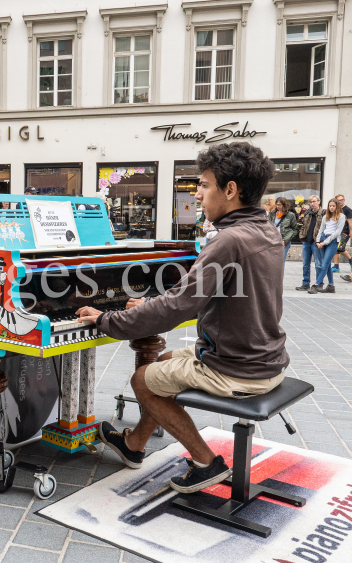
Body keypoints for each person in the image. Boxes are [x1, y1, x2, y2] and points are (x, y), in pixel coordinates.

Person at [76, 142, 289, 494]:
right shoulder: (265, 230)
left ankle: (207, 463)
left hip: (237, 367)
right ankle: (133, 444)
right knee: (165, 360)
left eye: (204, 185)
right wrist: (148, 306)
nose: (199, 196)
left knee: (143, 380)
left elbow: (178, 307)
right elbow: (184, 299)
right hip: (266, 357)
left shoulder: (228, 241)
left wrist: (106, 319)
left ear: (230, 190)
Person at [309, 197, 346, 294]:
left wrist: (325, 242)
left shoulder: (341, 216)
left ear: (337, 206)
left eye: (333, 206)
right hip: (323, 238)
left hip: (333, 241)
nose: (332, 208)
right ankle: (331, 285)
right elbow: (321, 229)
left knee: (324, 264)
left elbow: (338, 232)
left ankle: (316, 284)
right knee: (327, 264)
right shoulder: (326, 216)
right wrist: (317, 241)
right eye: (330, 206)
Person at [296, 196, 323, 291]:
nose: (312, 203)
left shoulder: (323, 213)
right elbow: (303, 225)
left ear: (319, 202)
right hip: (306, 241)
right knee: (305, 264)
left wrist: (321, 240)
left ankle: (319, 283)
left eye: (314, 201)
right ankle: (305, 283)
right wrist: (301, 235)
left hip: (316, 242)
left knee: (318, 264)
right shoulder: (307, 213)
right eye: (310, 202)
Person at [268, 197, 298, 262]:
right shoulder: (272, 214)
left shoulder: (290, 215)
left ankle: (280, 272)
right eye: (277, 204)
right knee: (272, 260)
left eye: (279, 205)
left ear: (284, 205)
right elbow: (268, 226)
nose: (277, 206)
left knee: (281, 261)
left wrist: (286, 240)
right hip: (273, 240)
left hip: (283, 241)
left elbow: (295, 229)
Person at [333, 194, 352, 273]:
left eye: (341, 200)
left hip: (344, 232)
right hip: (337, 232)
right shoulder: (336, 209)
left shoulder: (347, 210)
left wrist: (351, 234)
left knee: (339, 248)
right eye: (338, 200)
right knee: (336, 249)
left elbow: (350, 223)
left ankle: (351, 260)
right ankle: (336, 267)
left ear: (344, 200)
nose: (339, 202)